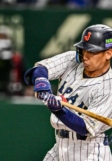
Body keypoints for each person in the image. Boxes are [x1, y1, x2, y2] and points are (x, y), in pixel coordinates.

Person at [24, 24, 112, 160]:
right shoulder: (72, 60)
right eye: (84, 50)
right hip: (60, 146)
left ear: (108, 53)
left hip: (89, 151)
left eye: (92, 52)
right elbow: (40, 69)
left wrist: (59, 110)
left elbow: (84, 128)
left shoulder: (109, 86)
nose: (85, 57)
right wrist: (42, 82)